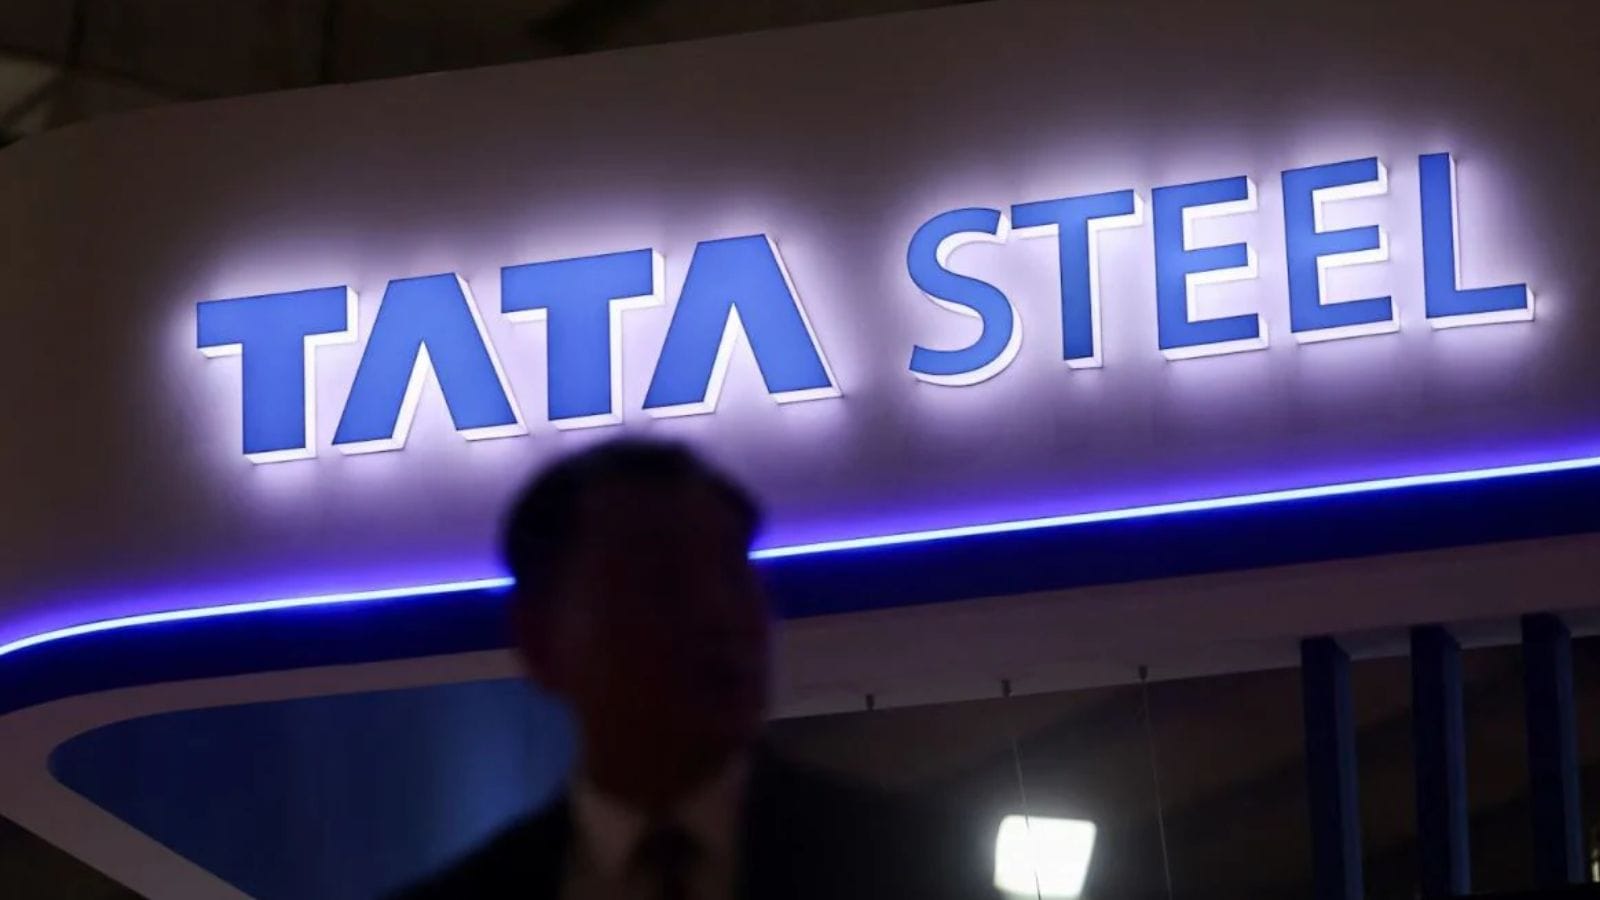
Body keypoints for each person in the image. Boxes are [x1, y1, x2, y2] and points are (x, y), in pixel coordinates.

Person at [395, 438, 998, 900]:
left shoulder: (918, 866)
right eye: (660, 583)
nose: (718, 616)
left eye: (733, 576)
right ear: (539, 642)